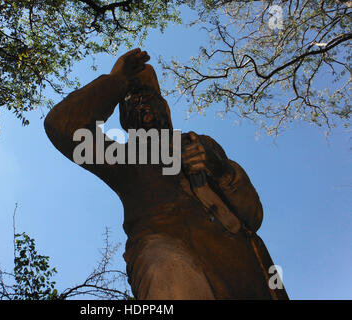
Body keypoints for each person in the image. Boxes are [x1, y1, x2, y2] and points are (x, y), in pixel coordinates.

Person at [44, 48, 288, 299]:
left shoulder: (201, 144)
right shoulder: (124, 158)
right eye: (133, 103)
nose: (144, 106)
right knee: (165, 269)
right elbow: (63, 126)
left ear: (166, 110)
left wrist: (220, 169)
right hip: (168, 262)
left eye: (150, 100)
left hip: (246, 271)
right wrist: (117, 80)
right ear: (127, 121)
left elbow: (253, 217)